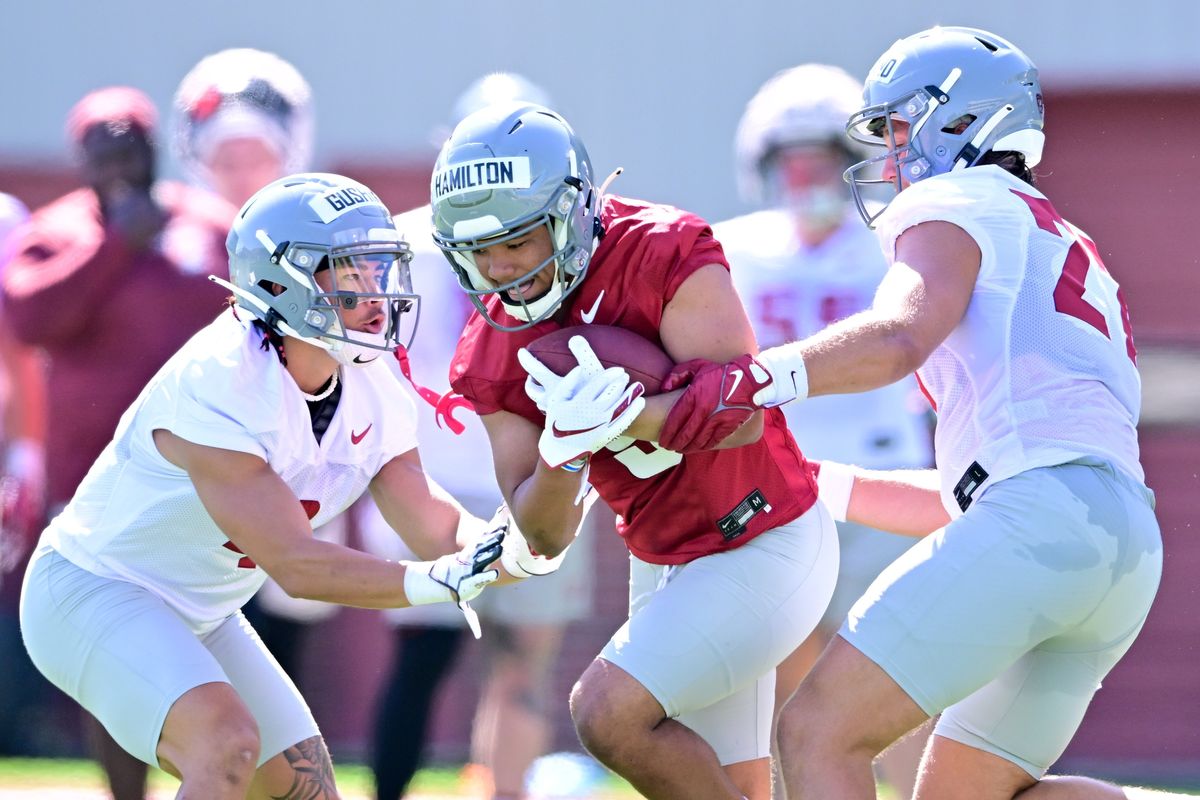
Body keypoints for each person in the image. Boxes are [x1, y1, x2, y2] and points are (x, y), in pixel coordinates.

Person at [660, 27, 1165, 799]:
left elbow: (898, 336)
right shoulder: (1062, 240)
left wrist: (752, 382)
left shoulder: (953, 201)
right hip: (1122, 543)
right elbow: (996, 489)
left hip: (1042, 521)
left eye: (897, 128)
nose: (889, 155)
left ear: (960, 121)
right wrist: (814, 479)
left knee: (814, 730)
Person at [18, 172, 513, 800]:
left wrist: (508, 547)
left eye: (378, 267)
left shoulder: (369, 378)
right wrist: (433, 582)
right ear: (282, 281)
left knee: (303, 791)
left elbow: (430, 519)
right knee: (224, 745)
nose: (376, 292)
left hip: (202, 607)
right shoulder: (222, 378)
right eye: (351, 271)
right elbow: (297, 565)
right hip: (96, 591)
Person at [430, 102, 839, 800]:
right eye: (478, 251)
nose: (498, 270)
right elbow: (543, 533)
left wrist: (628, 416)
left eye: (517, 242)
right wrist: (562, 453)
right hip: (661, 557)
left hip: (762, 535)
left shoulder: (662, 248)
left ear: (570, 212)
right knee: (730, 782)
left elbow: (742, 415)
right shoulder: (488, 350)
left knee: (607, 713)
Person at [365, 72, 597, 800]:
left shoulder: (406, 238)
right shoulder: (406, 242)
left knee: (492, 664)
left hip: (513, 473)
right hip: (460, 478)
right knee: (463, 664)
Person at [0, 86, 237, 797]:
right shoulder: (57, 231)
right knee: (113, 653)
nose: (119, 166)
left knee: (211, 631)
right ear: (82, 159)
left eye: (130, 148)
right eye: (104, 153)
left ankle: (214, 764)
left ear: (154, 148)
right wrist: (113, 246)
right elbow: (29, 315)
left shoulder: (205, 223)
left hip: (205, 476)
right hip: (93, 483)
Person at [716, 62, 933, 798]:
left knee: (901, 670)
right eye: (792, 158)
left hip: (884, 475)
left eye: (823, 158)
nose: (806, 176)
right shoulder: (734, 246)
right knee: (787, 673)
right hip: (782, 484)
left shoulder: (897, 239)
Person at [172, 46, 343, 696]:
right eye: (227, 160)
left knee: (284, 629)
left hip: (294, 448)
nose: (242, 175)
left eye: (255, 158)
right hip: (209, 452)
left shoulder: (317, 232)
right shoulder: (179, 239)